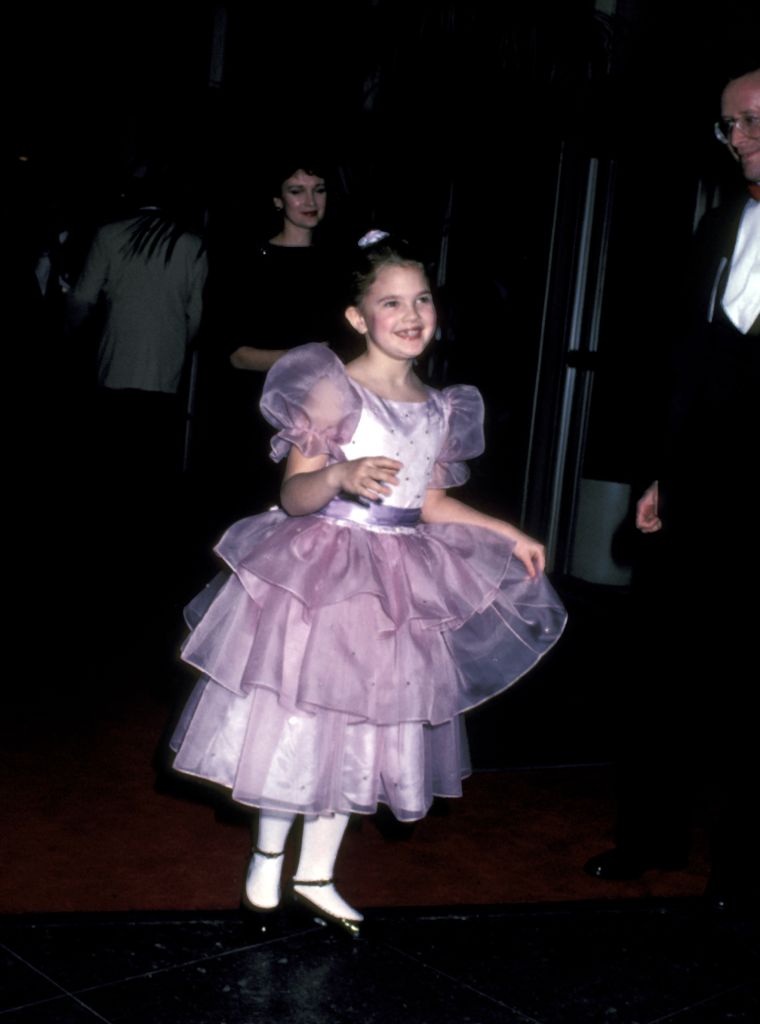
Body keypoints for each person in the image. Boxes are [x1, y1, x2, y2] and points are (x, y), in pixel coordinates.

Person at [170, 235, 567, 936]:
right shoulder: (333, 389)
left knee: (366, 728)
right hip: (324, 577)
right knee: (299, 722)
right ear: (358, 317)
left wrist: (507, 532)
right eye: (391, 303)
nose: (411, 315)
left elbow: (430, 501)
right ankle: (268, 861)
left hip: (396, 587)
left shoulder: (440, 406)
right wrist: (340, 475)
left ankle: (316, 875)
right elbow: (294, 495)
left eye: (422, 300)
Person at [584, 68, 760, 908]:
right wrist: (658, 471)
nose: (736, 140)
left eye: (750, 121)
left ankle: (746, 867)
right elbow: (683, 360)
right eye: (727, 126)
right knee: (665, 669)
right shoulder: (720, 222)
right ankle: (649, 836)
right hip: (697, 486)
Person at [199, 160, 349, 523]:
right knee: (252, 515)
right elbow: (235, 354)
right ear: (277, 200)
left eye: (319, 190)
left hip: (324, 418)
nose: (310, 201)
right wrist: (308, 357)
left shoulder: (342, 265)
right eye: (297, 191)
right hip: (257, 417)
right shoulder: (246, 263)